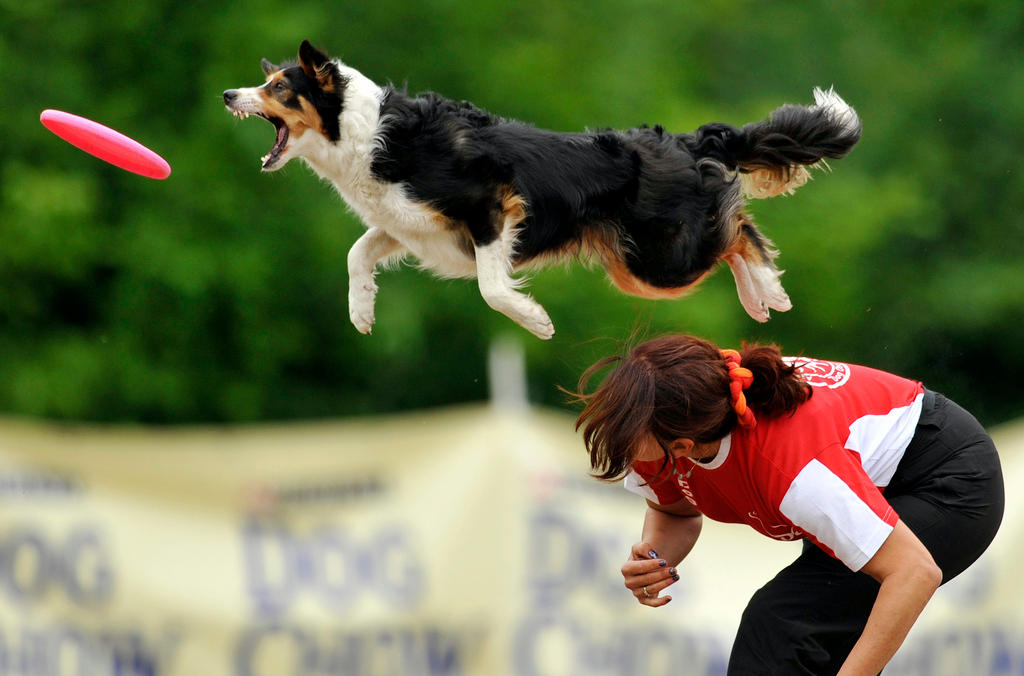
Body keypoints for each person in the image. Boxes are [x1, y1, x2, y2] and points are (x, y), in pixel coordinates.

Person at [574, 334, 1004, 675]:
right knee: (803, 641)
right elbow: (676, 511)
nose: (622, 446)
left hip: (943, 479)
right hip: (867, 474)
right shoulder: (665, 435)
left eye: (627, 437)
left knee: (781, 625)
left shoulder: (791, 469)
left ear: (684, 445)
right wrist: (656, 556)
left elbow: (913, 572)